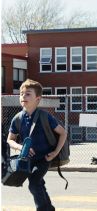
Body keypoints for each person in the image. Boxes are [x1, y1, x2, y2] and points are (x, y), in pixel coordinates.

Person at [7, 79, 67, 211]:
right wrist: (20, 147)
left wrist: (56, 152)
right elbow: (10, 140)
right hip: (27, 160)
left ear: (38, 99)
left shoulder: (45, 116)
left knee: (33, 184)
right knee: (37, 183)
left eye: (28, 94)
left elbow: (63, 133)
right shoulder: (17, 118)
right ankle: (49, 208)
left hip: (44, 158)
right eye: (21, 94)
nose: (23, 96)